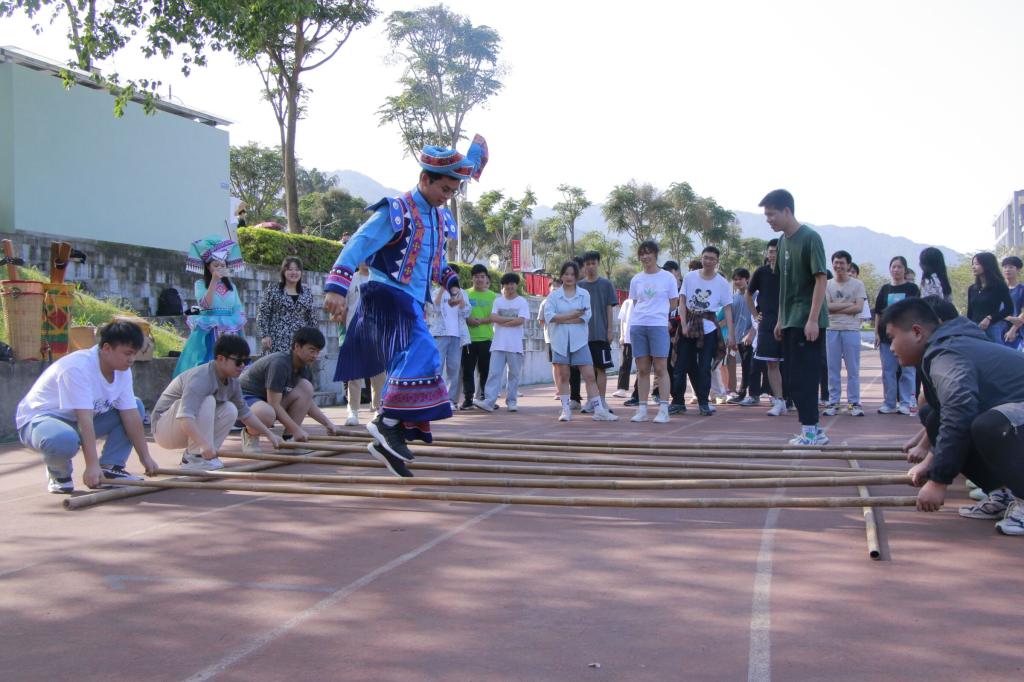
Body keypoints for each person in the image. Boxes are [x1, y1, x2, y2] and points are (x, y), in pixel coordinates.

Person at [322, 137, 488, 476]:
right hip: (385, 296)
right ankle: (386, 422)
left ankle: (391, 441)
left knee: (416, 368)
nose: (448, 196)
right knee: (426, 354)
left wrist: (454, 287)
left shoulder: (441, 221)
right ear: (425, 179)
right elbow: (359, 243)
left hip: (412, 303)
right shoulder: (396, 210)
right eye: (445, 188)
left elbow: (437, 264)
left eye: (453, 191)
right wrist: (337, 286)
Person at [883, 297, 1024, 535]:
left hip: (1014, 412)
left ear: (917, 332)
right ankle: (1001, 493)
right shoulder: (943, 348)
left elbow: (959, 413)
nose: (892, 348)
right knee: (933, 417)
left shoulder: (947, 355)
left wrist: (939, 480)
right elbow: (947, 416)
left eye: (892, 338)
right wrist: (932, 460)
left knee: (988, 425)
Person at [16, 320, 158, 493]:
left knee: (135, 405)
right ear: (106, 348)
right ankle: (58, 472)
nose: (131, 360)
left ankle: (110, 468)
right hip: (42, 422)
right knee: (63, 440)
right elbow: (84, 419)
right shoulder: (78, 368)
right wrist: (91, 466)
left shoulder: (123, 370)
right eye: (127, 353)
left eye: (134, 354)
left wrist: (146, 458)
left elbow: (130, 414)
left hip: (79, 421)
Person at [761, 189, 830, 445]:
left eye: (771, 214)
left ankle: (811, 431)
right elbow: (784, 286)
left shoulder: (810, 238)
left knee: (805, 376)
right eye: (766, 215)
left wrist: (812, 319)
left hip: (807, 322)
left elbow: (820, 279)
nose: (769, 219)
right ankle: (812, 429)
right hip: (789, 320)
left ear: (787, 211)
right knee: (790, 377)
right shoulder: (782, 243)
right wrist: (780, 318)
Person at [153, 334, 281, 471]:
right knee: (207, 400)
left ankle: (204, 456)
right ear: (221, 359)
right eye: (238, 362)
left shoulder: (233, 381)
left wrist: (270, 435)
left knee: (230, 408)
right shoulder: (201, 378)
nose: (243, 366)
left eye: (246, 361)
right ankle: (194, 458)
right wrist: (203, 444)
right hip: (164, 429)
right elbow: (185, 417)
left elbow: (245, 414)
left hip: (184, 428)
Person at [240, 326, 341, 450]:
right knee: (266, 413)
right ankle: (250, 436)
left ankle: (289, 438)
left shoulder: (304, 367)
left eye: (318, 352)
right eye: (312, 350)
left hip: (267, 402)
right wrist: (297, 429)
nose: (315, 356)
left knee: (306, 387)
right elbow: (274, 404)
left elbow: (308, 402)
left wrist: (328, 424)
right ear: (297, 347)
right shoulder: (279, 364)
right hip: (245, 400)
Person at [545, 261, 618, 422]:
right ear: (561, 276)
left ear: (576, 276)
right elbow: (550, 317)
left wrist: (563, 319)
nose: (569, 277)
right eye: (566, 274)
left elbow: (585, 316)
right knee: (563, 376)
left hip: (580, 341)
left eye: (572, 274)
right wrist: (573, 315)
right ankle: (565, 409)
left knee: (590, 375)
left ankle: (599, 409)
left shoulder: (584, 294)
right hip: (560, 340)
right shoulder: (554, 296)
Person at [173, 236, 247, 377]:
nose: (219, 268)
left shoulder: (232, 287)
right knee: (208, 364)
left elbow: (238, 309)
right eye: (216, 265)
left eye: (223, 265)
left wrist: (241, 334)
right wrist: (213, 281)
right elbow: (204, 305)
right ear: (208, 267)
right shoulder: (200, 285)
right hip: (210, 329)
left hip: (230, 330)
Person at [677, 246, 734, 416]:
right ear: (701, 258)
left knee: (704, 367)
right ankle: (677, 401)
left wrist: (731, 334)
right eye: (705, 257)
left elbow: (728, 309)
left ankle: (704, 402)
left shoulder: (722, 283)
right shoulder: (690, 277)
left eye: (711, 258)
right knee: (681, 365)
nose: (708, 261)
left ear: (717, 262)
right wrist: (684, 324)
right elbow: (682, 301)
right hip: (689, 326)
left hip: (709, 328)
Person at [627, 241, 679, 423]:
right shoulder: (636, 279)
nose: (645, 257)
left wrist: (660, 313)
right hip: (638, 325)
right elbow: (635, 302)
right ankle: (642, 409)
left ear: (656, 254)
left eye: (648, 253)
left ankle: (663, 409)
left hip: (658, 326)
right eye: (642, 253)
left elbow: (674, 302)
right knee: (642, 370)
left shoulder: (667, 278)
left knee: (660, 368)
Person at [474, 273, 530, 412]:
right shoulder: (498, 301)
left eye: (513, 283)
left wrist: (501, 320)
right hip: (498, 344)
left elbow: (520, 320)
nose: (510, 286)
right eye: (507, 284)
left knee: (514, 374)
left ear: (517, 285)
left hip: (515, 345)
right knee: (494, 373)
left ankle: (511, 401)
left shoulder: (522, 302)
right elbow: (493, 317)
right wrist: (510, 321)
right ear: (503, 286)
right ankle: (489, 401)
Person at [874, 256, 921, 415]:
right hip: (887, 337)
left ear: (905, 270)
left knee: (907, 370)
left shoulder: (912, 289)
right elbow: (879, 314)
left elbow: (916, 312)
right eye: (893, 266)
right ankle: (889, 402)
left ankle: (906, 402)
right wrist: (877, 333)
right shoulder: (885, 289)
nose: (896, 270)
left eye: (899, 267)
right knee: (888, 370)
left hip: (906, 336)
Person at [745, 239, 787, 415]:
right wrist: (755, 315)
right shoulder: (761, 273)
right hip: (767, 324)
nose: (772, 255)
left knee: (791, 364)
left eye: (776, 251)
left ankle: (791, 398)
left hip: (788, 322)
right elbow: (748, 293)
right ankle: (778, 400)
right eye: (770, 251)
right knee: (772, 363)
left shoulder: (790, 272)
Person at [824, 250, 866, 417]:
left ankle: (853, 403)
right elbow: (826, 307)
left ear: (848, 265)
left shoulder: (858, 284)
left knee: (852, 369)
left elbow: (859, 307)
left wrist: (837, 307)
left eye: (842, 263)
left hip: (851, 330)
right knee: (833, 368)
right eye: (836, 262)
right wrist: (849, 305)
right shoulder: (827, 284)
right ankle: (833, 402)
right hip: (832, 329)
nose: (838, 266)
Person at [342, 262, 385, 424]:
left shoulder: (381, 280)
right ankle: (352, 412)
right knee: (354, 375)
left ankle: (378, 410)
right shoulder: (350, 280)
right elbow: (344, 307)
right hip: (354, 333)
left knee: (378, 375)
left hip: (376, 333)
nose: (366, 260)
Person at [575, 251, 618, 413]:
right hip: (583, 335)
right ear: (583, 267)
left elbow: (609, 308)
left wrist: (609, 329)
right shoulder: (580, 286)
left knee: (601, 368)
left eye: (593, 263)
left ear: (598, 264)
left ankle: (602, 401)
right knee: (587, 370)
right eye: (587, 264)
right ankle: (590, 401)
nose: (590, 267)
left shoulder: (606, 284)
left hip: (600, 334)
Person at [257, 257, 319, 355]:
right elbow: (263, 313)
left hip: (300, 342)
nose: (294, 272)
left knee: (298, 369)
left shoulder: (306, 292)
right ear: (284, 271)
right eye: (290, 269)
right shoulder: (273, 289)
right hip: (276, 340)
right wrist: (265, 335)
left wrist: (313, 339)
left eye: (297, 269)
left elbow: (312, 318)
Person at [428, 279, 471, 410]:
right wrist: (442, 290)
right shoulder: (436, 291)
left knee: (454, 368)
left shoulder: (462, 292)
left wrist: (460, 297)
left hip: (457, 336)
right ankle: (435, 399)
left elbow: (466, 312)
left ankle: (451, 400)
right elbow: (432, 308)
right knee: (437, 367)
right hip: (440, 334)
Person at [461, 264, 496, 409]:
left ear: (486, 278)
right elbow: (460, 313)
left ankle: (485, 398)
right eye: (476, 277)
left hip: (487, 339)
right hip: (468, 339)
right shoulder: (465, 294)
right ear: (472, 279)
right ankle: (468, 399)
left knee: (485, 370)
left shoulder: (493, 296)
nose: (479, 279)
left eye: (482, 276)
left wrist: (481, 321)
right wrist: (467, 320)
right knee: (467, 370)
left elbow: (495, 316)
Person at [967, 252, 1014, 345]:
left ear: (987, 265)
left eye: (977, 264)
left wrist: (990, 318)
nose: (973, 267)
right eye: (973, 264)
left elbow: (1009, 309)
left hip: (992, 329)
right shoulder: (972, 288)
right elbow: (970, 312)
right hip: (974, 330)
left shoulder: (999, 285)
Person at [725, 268, 755, 404]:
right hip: (738, 337)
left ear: (747, 279)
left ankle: (751, 393)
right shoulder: (733, 298)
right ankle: (742, 393)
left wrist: (751, 333)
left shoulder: (755, 295)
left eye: (740, 279)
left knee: (752, 365)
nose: (737, 281)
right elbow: (730, 319)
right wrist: (732, 336)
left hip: (752, 337)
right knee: (744, 365)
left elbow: (759, 316)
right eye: (735, 279)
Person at [538, 278, 561, 398]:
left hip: (564, 338)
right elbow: (541, 320)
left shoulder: (565, 301)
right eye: (553, 289)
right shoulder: (545, 303)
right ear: (549, 289)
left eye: (558, 288)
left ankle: (569, 390)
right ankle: (559, 390)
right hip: (550, 339)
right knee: (555, 364)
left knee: (566, 365)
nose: (555, 291)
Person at [613, 296, 634, 398]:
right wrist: (622, 335)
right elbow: (622, 320)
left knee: (643, 366)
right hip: (628, 338)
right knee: (624, 363)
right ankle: (621, 389)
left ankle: (638, 390)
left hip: (642, 337)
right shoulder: (627, 302)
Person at [1002, 256, 1024, 348]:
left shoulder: (1021, 289)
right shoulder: (999, 289)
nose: (1007, 270)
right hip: (998, 329)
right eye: (1005, 267)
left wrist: (1013, 330)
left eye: (1011, 267)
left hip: (1017, 333)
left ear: (1018, 270)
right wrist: (1009, 318)